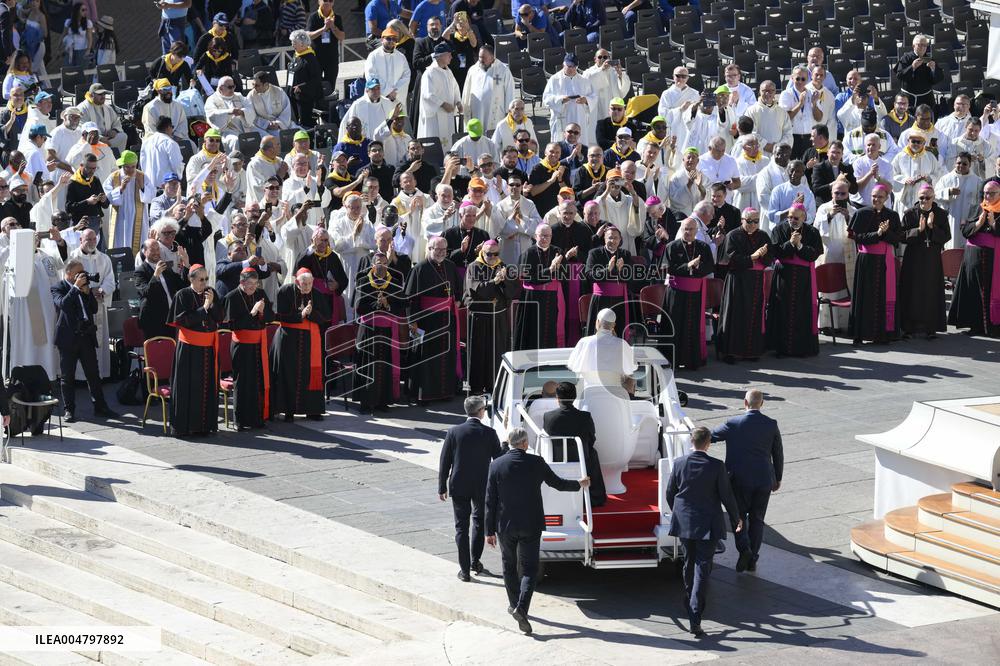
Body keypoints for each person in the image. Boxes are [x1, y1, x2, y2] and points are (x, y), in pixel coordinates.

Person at [485, 427, 589, 635]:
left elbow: (490, 499)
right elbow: (557, 484)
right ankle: (522, 607)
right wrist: (579, 484)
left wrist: (488, 531)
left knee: (508, 566)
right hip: (531, 524)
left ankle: (515, 605)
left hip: (505, 525)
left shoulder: (496, 465)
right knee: (530, 568)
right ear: (524, 444)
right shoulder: (536, 462)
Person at [666, 426, 741, 637]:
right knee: (702, 567)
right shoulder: (716, 466)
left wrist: (679, 514)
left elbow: (670, 493)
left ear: (692, 442)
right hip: (707, 524)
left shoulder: (679, 463)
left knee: (689, 563)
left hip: (684, 523)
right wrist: (737, 518)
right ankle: (695, 614)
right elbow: (727, 495)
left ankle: (690, 599)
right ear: (708, 443)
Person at [711, 390, 783, 574]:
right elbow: (778, 454)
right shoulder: (771, 424)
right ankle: (752, 558)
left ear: (745, 402)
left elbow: (711, 436)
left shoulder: (733, 423)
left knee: (739, 517)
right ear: (762, 403)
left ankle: (745, 550)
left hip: (739, 481)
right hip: (764, 480)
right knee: (758, 519)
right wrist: (778, 478)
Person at [439, 395, 503, 581]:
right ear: (481, 411)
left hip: (459, 483)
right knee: (479, 522)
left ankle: (464, 570)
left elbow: (445, 461)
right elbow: (498, 459)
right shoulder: (490, 433)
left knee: (461, 527)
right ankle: (475, 561)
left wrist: (441, 485)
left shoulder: (454, 431)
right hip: (482, 485)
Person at [51, 259, 116, 423]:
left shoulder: (84, 288)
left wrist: (87, 293)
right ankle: (69, 410)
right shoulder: (58, 287)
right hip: (68, 339)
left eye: (83, 272)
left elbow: (94, 309)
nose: (83, 275)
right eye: (79, 273)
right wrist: (75, 288)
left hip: (86, 336)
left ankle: (100, 407)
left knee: (93, 374)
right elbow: (63, 305)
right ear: (69, 274)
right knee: (68, 377)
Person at [405, 235, 463, 401]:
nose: (440, 253)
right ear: (429, 249)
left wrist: (457, 300)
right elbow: (411, 299)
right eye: (437, 249)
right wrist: (413, 321)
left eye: (443, 250)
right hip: (426, 321)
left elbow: (459, 288)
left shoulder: (450, 266)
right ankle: (425, 394)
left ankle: (445, 392)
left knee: (446, 356)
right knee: (427, 359)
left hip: (447, 319)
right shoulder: (419, 269)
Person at [169, 264, 224, 436]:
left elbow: (220, 317)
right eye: (201, 279)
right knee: (188, 387)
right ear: (191, 279)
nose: (205, 283)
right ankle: (186, 427)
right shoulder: (182, 295)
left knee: (206, 387)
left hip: (207, 349)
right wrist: (205, 308)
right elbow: (183, 321)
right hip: (189, 350)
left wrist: (212, 304)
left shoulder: (211, 292)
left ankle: (204, 426)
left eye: (207, 279)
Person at [272, 269, 330, 421]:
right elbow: (280, 316)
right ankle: (288, 410)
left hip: (310, 339)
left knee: (310, 373)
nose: (307, 287)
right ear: (297, 281)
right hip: (288, 339)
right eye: (304, 284)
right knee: (289, 373)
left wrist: (311, 314)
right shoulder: (285, 291)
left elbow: (325, 317)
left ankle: (312, 410)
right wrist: (301, 315)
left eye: (310, 283)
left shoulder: (316, 294)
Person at [716, 208, 773, 363]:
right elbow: (731, 259)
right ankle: (730, 352)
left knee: (753, 314)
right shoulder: (733, 235)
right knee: (735, 315)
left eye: (756, 221)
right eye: (749, 221)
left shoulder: (763, 235)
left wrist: (763, 256)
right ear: (742, 220)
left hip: (756, 281)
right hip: (737, 280)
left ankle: (751, 351)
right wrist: (753, 257)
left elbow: (770, 257)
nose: (753, 225)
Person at [849, 184, 904, 345]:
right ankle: (859, 333)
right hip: (866, 262)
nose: (876, 199)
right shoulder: (861, 213)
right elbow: (857, 237)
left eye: (880, 197)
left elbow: (897, 240)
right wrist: (878, 233)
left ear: (886, 198)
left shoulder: (892, 216)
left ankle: (882, 334)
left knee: (883, 297)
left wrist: (886, 233)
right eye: (874, 196)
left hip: (885, 261)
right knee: (863, 297)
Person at [353, 250, 406, 411]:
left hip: (387, 331)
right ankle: (366, 401)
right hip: (369, 330)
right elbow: (359, 307)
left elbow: (401, 305)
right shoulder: (363, 281)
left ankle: (383, 400)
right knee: (367, 364)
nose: (381, 266)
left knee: (385, 365)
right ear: (372, 265)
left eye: (384, 263)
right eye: (378, 263)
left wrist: (388, 304)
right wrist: (378, 304)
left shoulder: (395, 282)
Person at [767, 203, 823, 357]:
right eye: (790, 217)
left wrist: (800, 246)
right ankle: (781, 347)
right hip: (784, 276)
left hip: (804, 278)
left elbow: (815, 253)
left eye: (796, 217)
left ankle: (801, 347)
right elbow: (776, 252)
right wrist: (791, 244)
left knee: (802, 311)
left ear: (804, 217)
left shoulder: (812, 231)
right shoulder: (779, 229)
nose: (792, 220)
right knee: (782, 310)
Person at [948, 179, 1000, 337]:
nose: (988, 196)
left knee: (990, 291)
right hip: (972, 257)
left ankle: (992, 327)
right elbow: (964, 229)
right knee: (972, 291)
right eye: (985, 193)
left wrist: (993, 225)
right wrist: (978, 224)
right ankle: (974, 325)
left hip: (993, 259)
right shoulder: (975, 208)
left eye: (992, 193)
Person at [542, 381, 607, 506]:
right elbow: (591, 439)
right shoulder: (585, 417)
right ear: (574, 397)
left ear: (557, 397)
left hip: (557, 459)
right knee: (592, 453)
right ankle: (595, 498)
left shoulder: (548, 416)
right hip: (582, 459)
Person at [898, 186, 951, 339]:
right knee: (911, 291)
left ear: (933, 198)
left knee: (931, 291)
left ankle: (930, 327)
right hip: (913, 259)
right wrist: (918, 230)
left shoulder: (940, 214)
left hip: (932, 260)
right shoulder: (910, 214)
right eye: (921, 198)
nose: (924, 201)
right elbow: (901, 236)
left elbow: (947, 236)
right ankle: (909, 327)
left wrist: (931, 227)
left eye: (927, 198)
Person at [665, 218, 715, 370]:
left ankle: (691, 360)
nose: (688, 232)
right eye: (685, 229)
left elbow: (710, 267)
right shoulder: (672, 246)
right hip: (676, 293)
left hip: (695, 293)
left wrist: (697, 268)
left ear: (696, 231)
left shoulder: (703, 247)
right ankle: (672, 360)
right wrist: (687, 266)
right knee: (675, 325)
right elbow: (666, 268)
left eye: (691, 229)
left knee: (692, 326)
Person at [514, 224, 564, 350]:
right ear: (536, 236)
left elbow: (565, 274)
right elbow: (529, 277)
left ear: (551, 237)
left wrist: (560, 267)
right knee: (532, 331)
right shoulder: (528, 253)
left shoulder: (556, 251)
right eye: (541, 235)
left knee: (550, 329)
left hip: (551, 298)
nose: (544, 238)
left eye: (547, 236)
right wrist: (550, 269)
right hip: (532, 299)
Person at [568, 307, 637, 390]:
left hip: (589, 393)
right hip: (614, 395)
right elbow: (631, 368)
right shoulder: (622, 344)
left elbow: (572, 365)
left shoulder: (584, 342)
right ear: (614, 325)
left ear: (598, 322)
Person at [135, 237, 188, 339]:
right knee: (157, 353)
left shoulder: (166, 268)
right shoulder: (140, 271)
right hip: (153, 321)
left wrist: (186, 263)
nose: (156, 253)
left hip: (170, 318)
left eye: (157, 249)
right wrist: (156, 276)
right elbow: (146, 292)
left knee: (171, 350)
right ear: (145, 252)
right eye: (152, 250)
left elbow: (183, 285)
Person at [418, 43, 462, 152]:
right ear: (441, 56)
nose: (451, 57)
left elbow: (455, 88)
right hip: (435, 116)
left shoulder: (448, 71)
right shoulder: (429, 73)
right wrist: (442, 104)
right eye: (449, 55)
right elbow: (427, 95)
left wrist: (458, 102)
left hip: (448, 114)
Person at [935, 153, 983, 250]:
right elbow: (935, 194)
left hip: (969, 218)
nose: (961, 166)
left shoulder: (977, 180)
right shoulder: (946, 179)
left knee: (968, 246)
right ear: (954, 164)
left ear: (970, 165)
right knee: (952, 245)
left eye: (964, 164)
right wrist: (948, 192)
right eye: (958, 163)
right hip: (952, 217)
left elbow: (981, 200)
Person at [894, 34, 943, 109]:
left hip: (926, 98)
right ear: (913, 46)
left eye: (925, 45)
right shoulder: (906, 58)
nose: (923, 48)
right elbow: (899, 76)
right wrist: (912, 67)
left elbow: (938, 79)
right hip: (909, 98)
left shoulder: (929, 59)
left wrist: (934, 69)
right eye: (920, 45)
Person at [306, 0, 344, 89]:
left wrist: (332, 27)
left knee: (330, 86)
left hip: (331, 58)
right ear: (319, 2)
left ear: (333, 3)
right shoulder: (313, 17)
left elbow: (342, 37)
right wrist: (324, 29)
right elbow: (308, 36)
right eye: (325, 0)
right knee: (316, 85)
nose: (327, 3)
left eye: (330, 0)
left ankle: (329, 103)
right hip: (316, 58)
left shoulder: (337, 17)